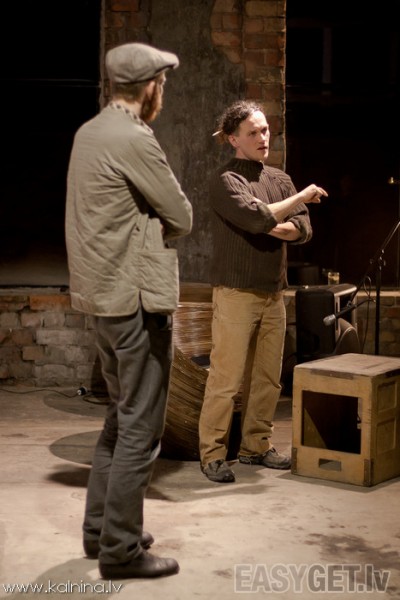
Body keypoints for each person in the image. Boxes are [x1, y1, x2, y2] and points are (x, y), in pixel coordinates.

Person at [65, 43, 192, 579]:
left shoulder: (89, 132)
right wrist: (154, 220)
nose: (163, 91)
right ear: (150, 87)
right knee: (141, 427)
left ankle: (101, 531)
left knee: (120, 418)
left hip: (103, 299)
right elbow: (181, 215)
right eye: (162, 83)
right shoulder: (135, 137)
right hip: (135, 299)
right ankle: (120, 551)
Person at [198, 100, 328, 483]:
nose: (262, 137)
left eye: (265, 130)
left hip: (274, 293)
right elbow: (258, 218)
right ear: (233, 139)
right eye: (252, 132)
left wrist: (272, 220)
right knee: (226, 379)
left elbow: (303, 230)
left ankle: (256, 446)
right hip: (236, 293)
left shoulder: (279, 179)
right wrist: (297, 200)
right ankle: (212, 454)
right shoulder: (226, 180)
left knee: (268, 377)